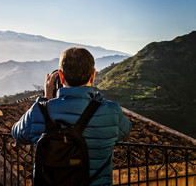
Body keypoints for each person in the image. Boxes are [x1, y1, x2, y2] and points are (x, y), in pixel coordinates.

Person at [12, 47, 131, 186]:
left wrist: (46, 98)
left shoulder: (39, 111)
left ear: (61, 77)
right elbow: (126, 130)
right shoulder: (112, 112)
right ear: (93, 75)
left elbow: (17, 133)